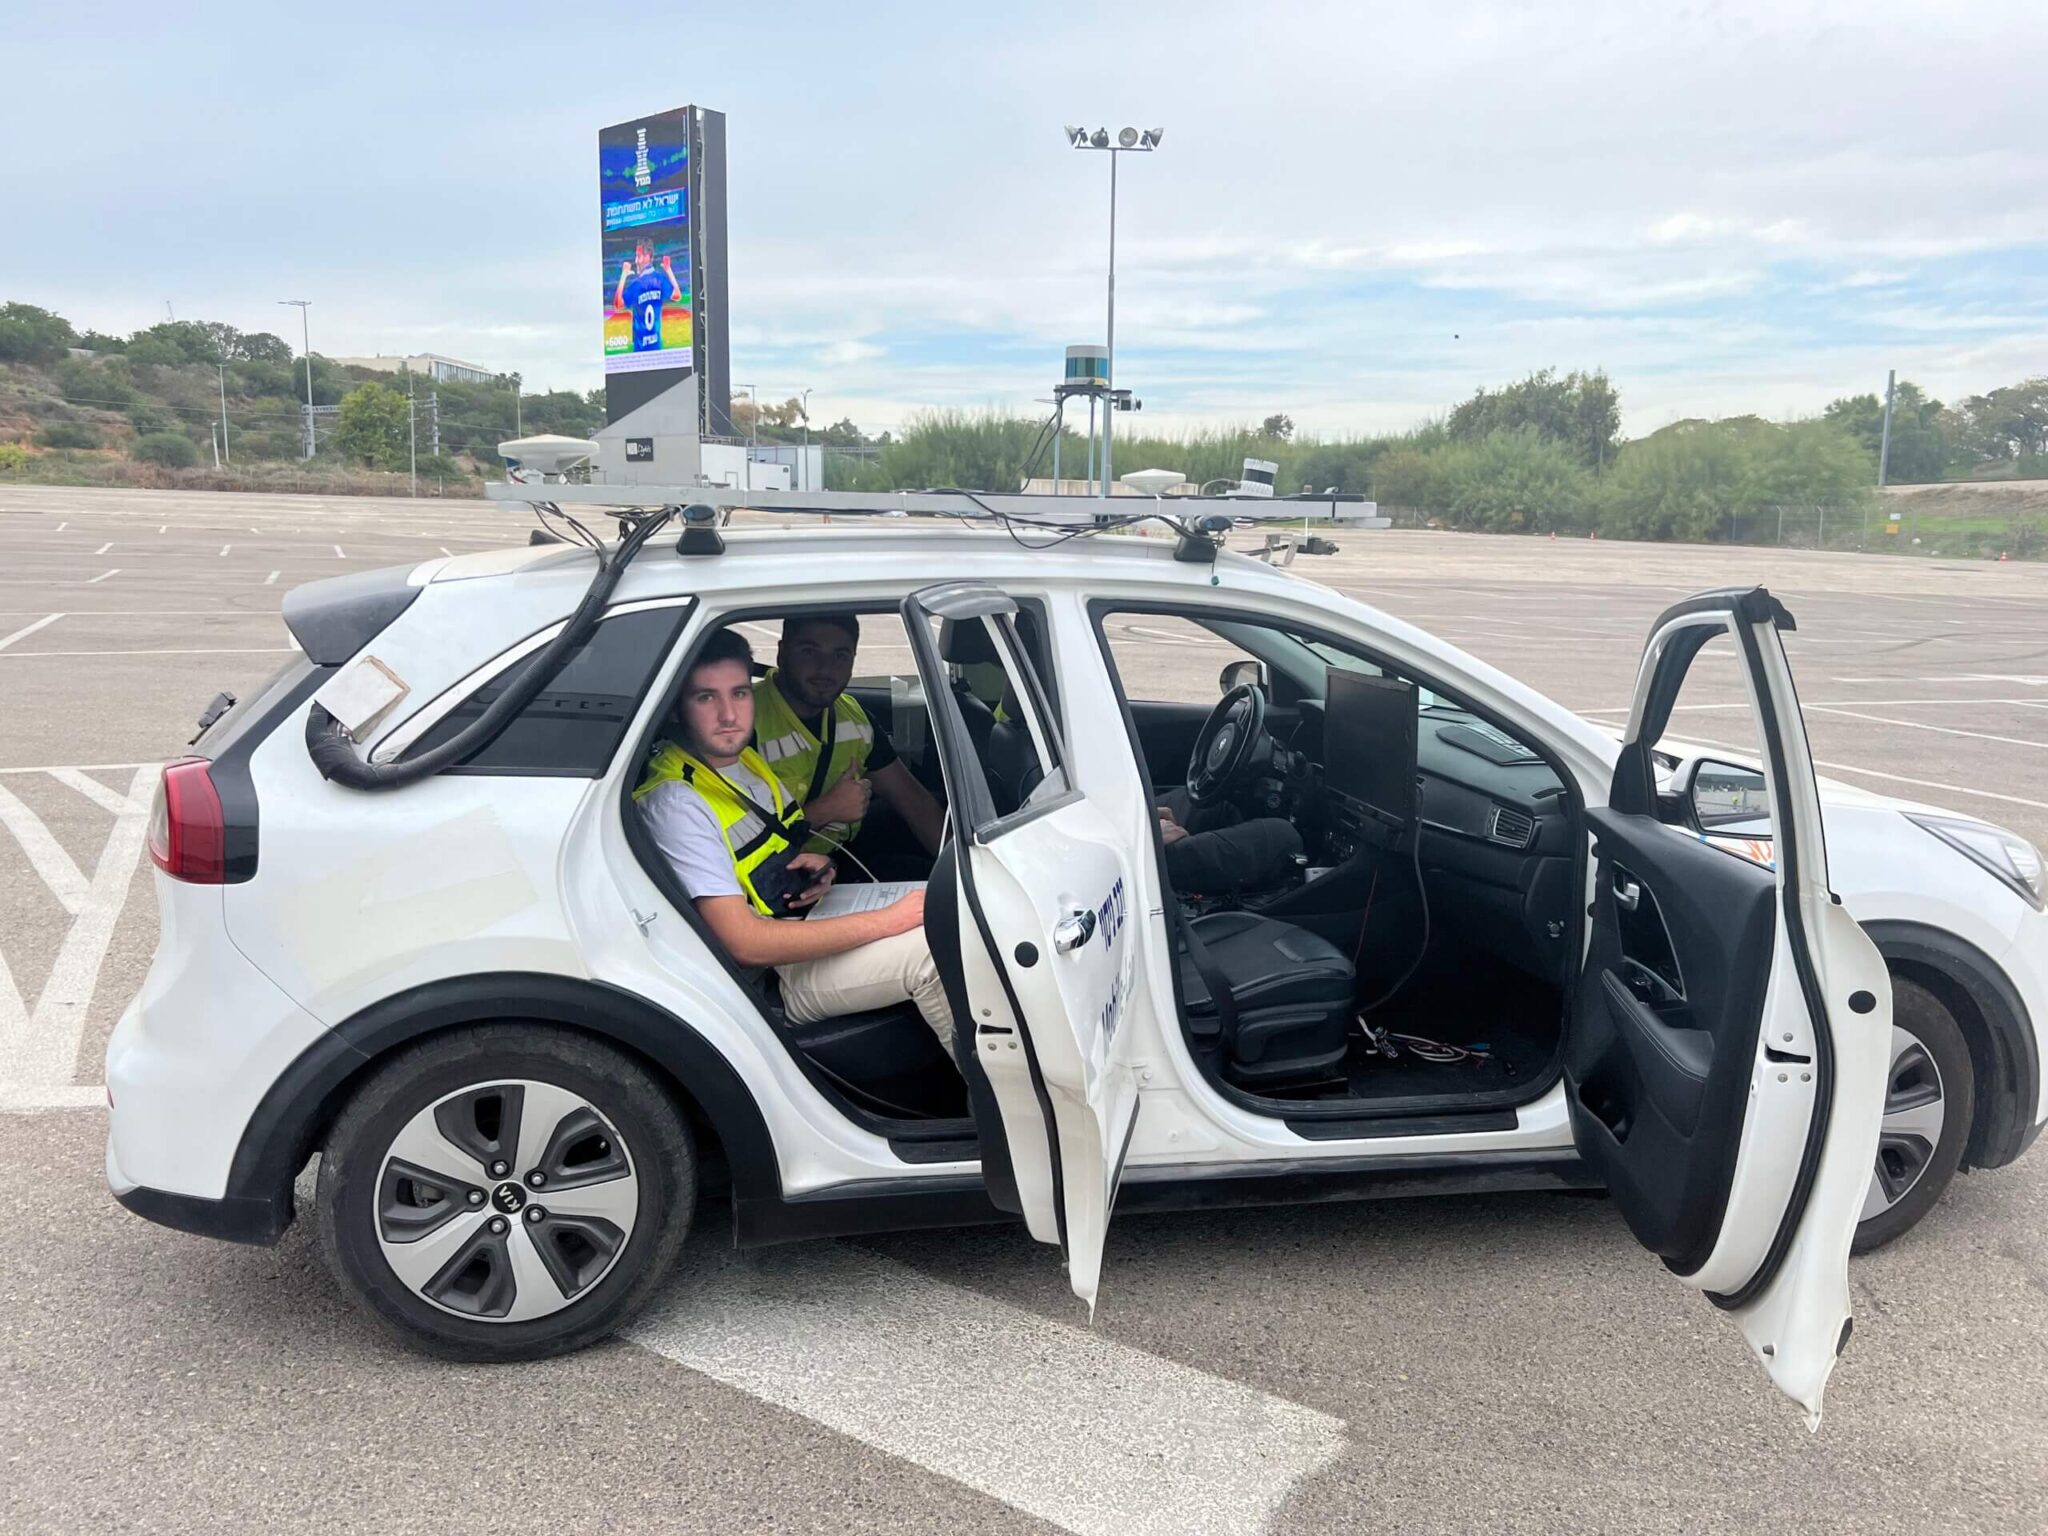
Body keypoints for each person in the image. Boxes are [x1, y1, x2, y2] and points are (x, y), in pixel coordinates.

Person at [635, 628, 960, 1067]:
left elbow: (767, 848)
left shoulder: (741, 762)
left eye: (739, 693)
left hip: (793, 922)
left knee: (934, 908)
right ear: (676, 706)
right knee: (932, 953)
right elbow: (745, 943)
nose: (730, 714)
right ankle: (998, 1112)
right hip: (767, 978)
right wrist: (885, 920)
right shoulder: (677, 802)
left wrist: (816, 867)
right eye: (706, 698)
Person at [752, 612, 947, 861]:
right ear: (782, 653)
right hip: (770, 880)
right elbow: (733, 850)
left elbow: (915, 803)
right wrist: (827, 810)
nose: (825, 669)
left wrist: (967, 874)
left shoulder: (853, 717)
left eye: (840, 656)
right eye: (809, 652)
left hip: (833, 864)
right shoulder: (741, 722)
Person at [614, 241, 683, 355]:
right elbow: (677, 295)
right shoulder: (660, 279)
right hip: (656, 348)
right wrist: (668, 270)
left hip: (640, 351)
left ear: (647, 257)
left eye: (638, 256)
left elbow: (617, 304)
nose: (636, 260)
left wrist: (624, 274)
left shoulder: (636, 285)